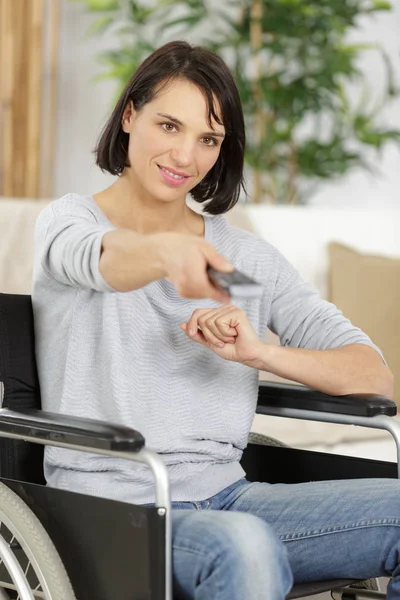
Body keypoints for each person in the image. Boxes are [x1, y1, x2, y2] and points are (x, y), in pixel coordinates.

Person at [32, 40, 398, 599]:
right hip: (115, 508)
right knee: (243, 544)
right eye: (169, 126)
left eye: (208, 139)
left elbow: (372, 374)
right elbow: (104, 260)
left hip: (231, 499)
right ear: (129, 115)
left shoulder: (236, 264)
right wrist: (169, 254)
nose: (185, 157)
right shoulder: (70, 224)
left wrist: (261, 353)